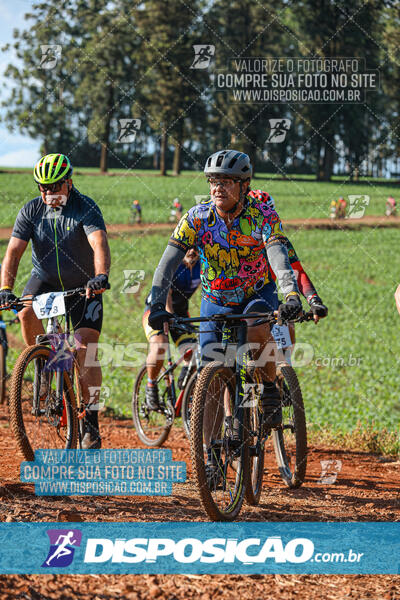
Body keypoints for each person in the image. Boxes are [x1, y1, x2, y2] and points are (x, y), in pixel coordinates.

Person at [149, 149, 325, 482]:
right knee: (211, 378)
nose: (218, 188)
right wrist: (157, 301)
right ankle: (212, 454)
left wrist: (290, 295)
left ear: (244, 185)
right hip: (214, 301)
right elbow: (167, 262)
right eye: (213, 181)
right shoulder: (196, 218)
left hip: (256, 295)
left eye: (226, 181)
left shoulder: (261, 216)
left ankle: (271, 386)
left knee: (259, 329)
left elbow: (278, 255)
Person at [0, 153, 111, 449]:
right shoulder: (31, 211)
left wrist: (100, 276)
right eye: (44, 188)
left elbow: (99, 243)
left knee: (85, 349)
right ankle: (42, 362)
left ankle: (91, 422)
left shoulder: (85, 207)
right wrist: (5, 288)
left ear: (70, 182)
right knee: (24, 312)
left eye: (56, 186)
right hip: (45, 280)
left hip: (83, 287)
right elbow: (13, 252)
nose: (50, 194)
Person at [142, 248, 200, 409]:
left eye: (197, 247)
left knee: (194, 351)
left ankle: (185, 386)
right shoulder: (174, 264)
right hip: (157, 309)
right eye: (189, 246)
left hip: (180, 313)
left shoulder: (201, 265)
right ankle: (151, 386)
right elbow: (166, 293)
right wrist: (168, 315)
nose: (193, 251)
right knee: (160, 345)